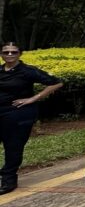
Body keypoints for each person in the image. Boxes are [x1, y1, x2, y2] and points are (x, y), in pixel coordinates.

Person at [0, 42, 62, 194]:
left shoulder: (28, 71)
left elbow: (56, 83)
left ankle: (8, 180)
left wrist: (33, 98)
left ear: (20, 54)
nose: (9, 55)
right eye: (6, 52)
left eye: (13, 52)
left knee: (13, 147)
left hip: (18, 114)